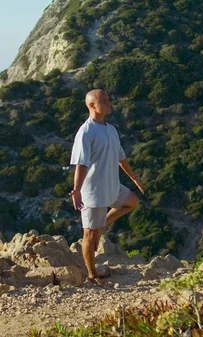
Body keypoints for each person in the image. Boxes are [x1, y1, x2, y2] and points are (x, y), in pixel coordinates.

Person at [69, 89, 145, 286]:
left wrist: (134, 177)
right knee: (90, 234)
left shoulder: (111, 129)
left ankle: (102, 224)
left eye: (109, 99)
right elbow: (81, 163)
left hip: (112, 186)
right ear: (92, 106)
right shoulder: (86, 131)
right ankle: (92, 274)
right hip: (92, 191)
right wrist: (76, 190)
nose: (110, 102)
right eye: (105, 100)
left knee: (133, 202)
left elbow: (121, 157)